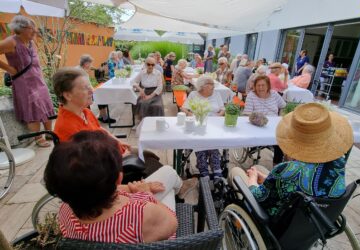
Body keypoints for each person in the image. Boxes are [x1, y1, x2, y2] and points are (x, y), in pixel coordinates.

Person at [45, 130, 198, 244]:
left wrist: (134, 189)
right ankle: (179, 189)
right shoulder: (140, 214)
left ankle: (179, 187)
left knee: (166, 176)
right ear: (119, 178)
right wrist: (144, 194)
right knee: (168, 186)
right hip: (155, 236)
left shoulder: (65, 210)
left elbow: (89, 188)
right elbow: (172, 224)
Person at [229, 102, 353, 217]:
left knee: (236, 172)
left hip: (277, 221)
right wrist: (268, 179)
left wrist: (252, 178)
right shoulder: (338, 163)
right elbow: (291, 184)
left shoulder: (287, 170)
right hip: (317, 219)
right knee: (259, 168)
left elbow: (258, 197)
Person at [0, 15, 55, 147]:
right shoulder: (11, 42)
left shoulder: (30, 41)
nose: (35, 31)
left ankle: (49, 132)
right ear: (21, 28)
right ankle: (38, 137)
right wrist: (8, 68)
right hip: (23, 82)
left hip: (38, 80)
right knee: (33, 108)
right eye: (32, 28)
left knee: (46, 104)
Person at [53, 67, 131, 155]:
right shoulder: (67, 128)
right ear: (68, 95)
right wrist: (122, 157)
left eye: (90, 85)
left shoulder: (85, 112)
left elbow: (99, 129)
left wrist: (116, 141)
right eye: (85, 88)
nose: (92, 90)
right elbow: (89, 163)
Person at [181, 76, 225, 180]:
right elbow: (183, 108)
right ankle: (203, 169)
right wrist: (190, 113)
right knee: (201, 142)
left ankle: (216, 169)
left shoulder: (216, 94)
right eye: (211, 86)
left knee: (212, 142)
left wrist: (219, 116)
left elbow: (223, 109)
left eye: (213, 86)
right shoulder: (193, 94)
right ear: (202, 87)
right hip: (198, 124)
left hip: (214, 125)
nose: (213, 88)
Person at [242, 75, 286, 165]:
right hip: (257, 125)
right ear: (255, 86)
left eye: (263, 85)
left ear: (268, 86)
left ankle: (278, 167)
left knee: (282, 141)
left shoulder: (274, 94)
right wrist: (258, 119)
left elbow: (284, 106)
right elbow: (247, 113)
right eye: (258, 85)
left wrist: (281, 117)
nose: (260, 88)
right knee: (278, 141)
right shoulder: (251, 96)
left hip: (274, 125)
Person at [77, 54, 116, 124]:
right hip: (81, 94)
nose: (91, 65)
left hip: (83, 92)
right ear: (86, 63)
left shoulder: (80, 69)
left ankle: (102, 116)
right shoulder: (81, 72)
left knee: (101, 93)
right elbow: (87, 85)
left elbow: (88, 84)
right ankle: (103, 116)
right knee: (101, 94)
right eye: (90, 63)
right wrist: (94, 90)